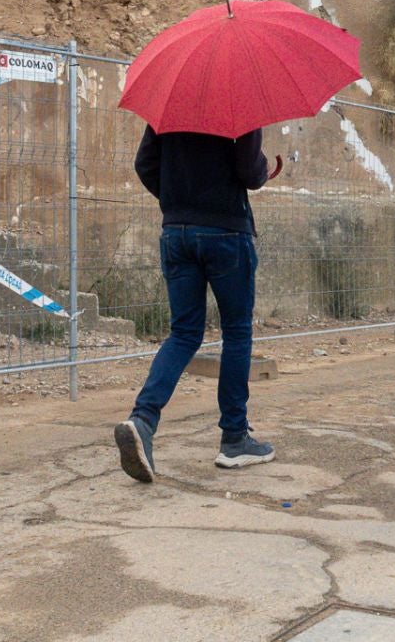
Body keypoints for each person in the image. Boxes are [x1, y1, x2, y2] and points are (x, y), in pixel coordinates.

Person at [114, 124, 279, 483]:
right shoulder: (239, 105)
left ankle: (143, 420)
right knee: (236, 333)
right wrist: (264, 171)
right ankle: (234, 438)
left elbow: (145, 163)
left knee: (184, 333)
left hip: (177, 232)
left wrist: (177, 202)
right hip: (226, 232)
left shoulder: (172, 105)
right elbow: (249, 171)